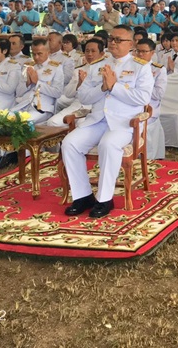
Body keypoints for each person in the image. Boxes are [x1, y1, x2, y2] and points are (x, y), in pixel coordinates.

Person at [60, 25, 153, 218]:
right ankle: (83, 196)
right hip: (97, 120)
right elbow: (83, 96)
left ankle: (104, 199)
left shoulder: (141, 67)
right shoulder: (97, 65)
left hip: (123, 123)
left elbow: (142, 98)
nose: (113, 43)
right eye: (111, 39)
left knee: (108, 144)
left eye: (119, 40)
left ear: (131, 44)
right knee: (69, 143)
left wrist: (114, 86)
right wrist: (103, 88)